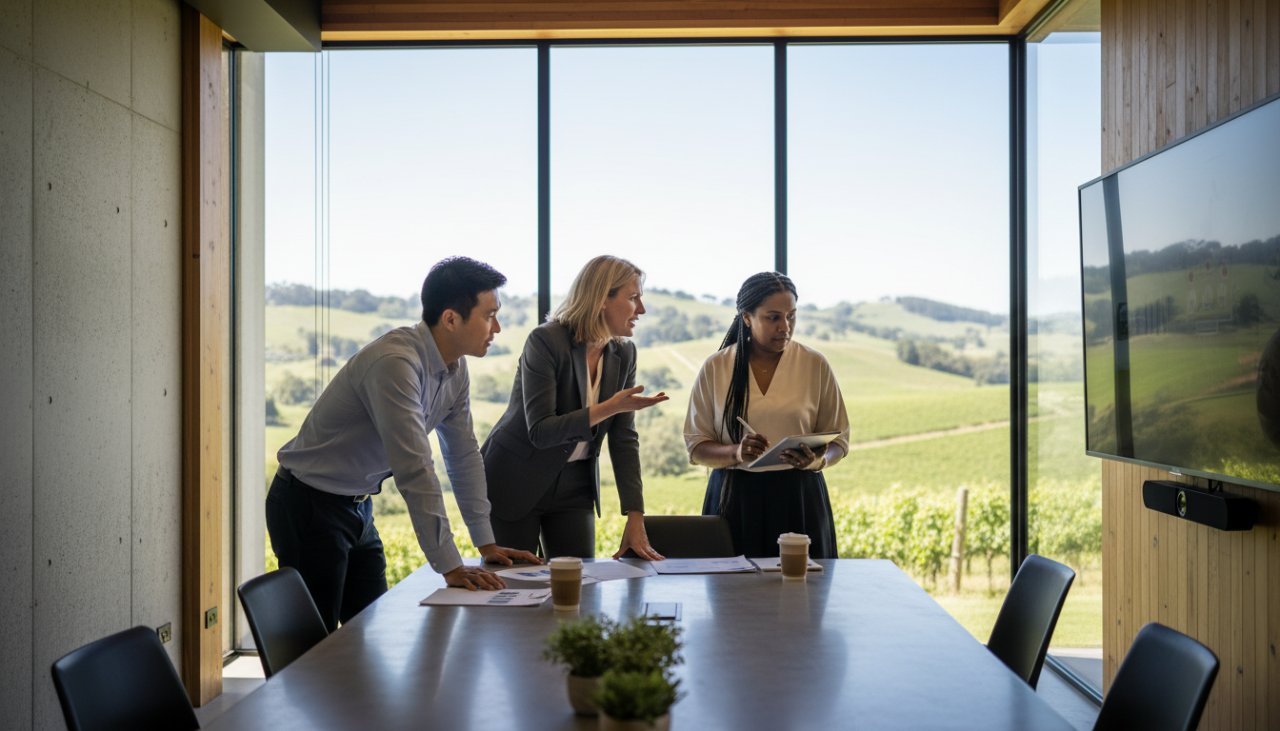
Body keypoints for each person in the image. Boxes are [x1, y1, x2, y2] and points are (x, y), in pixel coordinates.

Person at [267, 257, 540, 631]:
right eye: (489, 315)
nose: (498, 327)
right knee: (315, 649)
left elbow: (463, 456)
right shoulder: (395, 363)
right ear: (450, 319)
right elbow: (415, 469)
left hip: (358, 507)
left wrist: (486, 544)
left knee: (372, 630)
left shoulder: (455, 369)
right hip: (308, 505)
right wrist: (450, 565)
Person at [482, 255, 668, 560]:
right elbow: (541, 431)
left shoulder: (624, 353)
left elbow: (624, 439)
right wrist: (609, 407)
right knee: (515, 586)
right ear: (601, 299)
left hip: (575, 486)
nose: (642, 309)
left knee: (578, 585)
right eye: (633, 297)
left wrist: (635, 515)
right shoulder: (545, 341)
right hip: (514, 479)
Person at [683, 272, 850, 558]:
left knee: (803, 595)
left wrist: (818, 460)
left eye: (791, 316)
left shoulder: (814, 364)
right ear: (747, 317)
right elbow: (697, 448)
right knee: (732, 598)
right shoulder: (716, 368)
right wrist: (736, 452)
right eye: (773, 317)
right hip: (734, 500)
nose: (785, 326)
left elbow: (840, 441)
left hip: (800, 499)